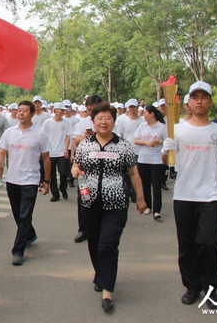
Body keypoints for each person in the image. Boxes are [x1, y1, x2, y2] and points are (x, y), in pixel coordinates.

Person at [162, 81, 217, 309]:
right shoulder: (178, 129)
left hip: (210, 194)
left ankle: (211, 288)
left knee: (209, 242)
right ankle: (192, 286)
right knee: (187, 243)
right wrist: (166, 150)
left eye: (204, 97)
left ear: (210, 101)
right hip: (184, 195)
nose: (200, 101)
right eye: (196, 97)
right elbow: (168, 162)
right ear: (188, 102)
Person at [71, 102, 146, 312]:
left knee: (108, 244)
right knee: (94, 244)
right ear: (93, 121)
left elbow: (133, 174)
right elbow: (77, 164)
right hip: (90, 203)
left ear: (114, 121)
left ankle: (107, 291)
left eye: (108, 118)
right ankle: (101, 274)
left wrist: (140, 198)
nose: (103, 122)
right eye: (99, 119)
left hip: (116, 204)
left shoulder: (123, 146)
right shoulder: (85, 145)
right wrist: (75, 170)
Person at [0, 100, 50, 266]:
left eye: (25, 111)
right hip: (12, 179)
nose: (21, 113)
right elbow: (1, 153)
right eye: (19, 111)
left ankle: (18, 251)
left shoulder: (40, 134)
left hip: (31, 180)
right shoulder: (10, 132)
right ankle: (29, 235)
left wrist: (46, 180)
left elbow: (46, 158)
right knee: (18, 214)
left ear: (32, 114)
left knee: (24, 216)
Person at [71, 94, 102, 243]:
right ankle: (83, 228)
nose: (91, 112)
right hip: (85, 165)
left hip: (102, 165)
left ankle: (100, 226)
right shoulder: (83, 122)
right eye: (89, 109)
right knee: (83, 196)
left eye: (94, 109)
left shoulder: (107, 121)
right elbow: (76, 139)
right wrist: (87, 137)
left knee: (101, 197)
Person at [133, 105, 167, 219]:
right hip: (143, 159)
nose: (144, 115)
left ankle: (157, 210)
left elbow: (168, 142)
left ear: (152, 114)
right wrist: (146, 143)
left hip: (157, 160)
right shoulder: (142, 126)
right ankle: (148, 206)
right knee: (145, 184)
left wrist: (159, 142)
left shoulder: (162, 127)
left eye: (146, 113)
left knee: (156, 185)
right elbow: (136, 140)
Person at [116, 98, 145, 203]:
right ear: (128, 108)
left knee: (137, 173)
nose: (132, 109)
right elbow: (121, 135)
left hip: (139, 151)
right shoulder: (123, 121)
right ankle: (127, 191)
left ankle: (135, 193)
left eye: (134, 107)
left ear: (137, 108)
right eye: (131, 107)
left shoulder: (143, 121)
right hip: (127, 150)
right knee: (127, 174)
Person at [42, 102, 71, 202]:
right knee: (51, 175)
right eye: (61, 110)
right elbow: (43, 136)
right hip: (50, 152)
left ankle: (63, 188)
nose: (63, 112)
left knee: (63, 172)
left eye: (64, 110)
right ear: (55, 110)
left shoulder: (66, 123)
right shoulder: (47, 122)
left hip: (61, 152)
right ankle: (55, 194)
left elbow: (68, 136)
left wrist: (66, 148)